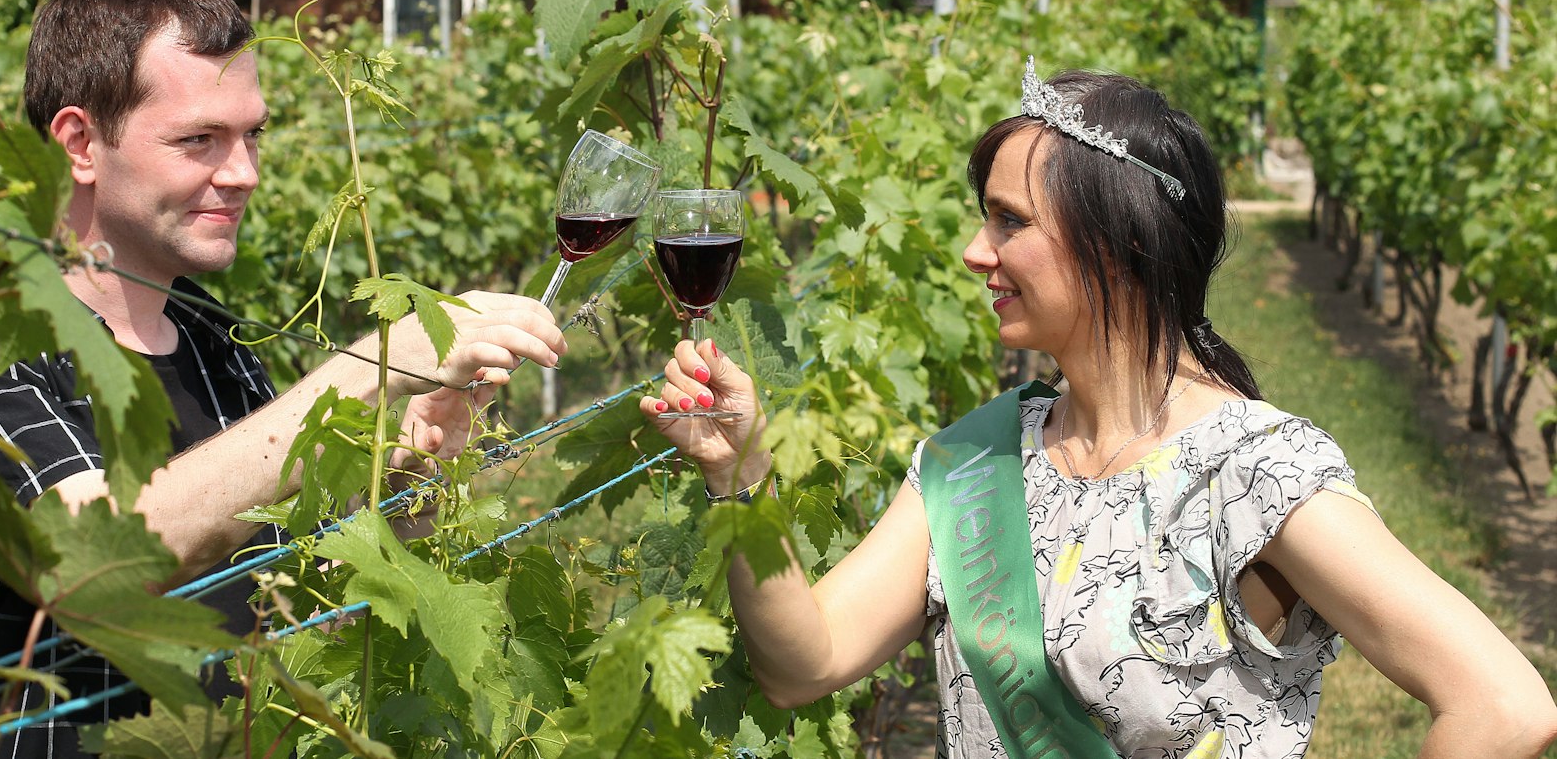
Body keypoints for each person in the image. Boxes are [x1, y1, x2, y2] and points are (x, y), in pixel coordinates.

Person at [640, 59, 1557, 758]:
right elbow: (805, 663)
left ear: (1117, 242)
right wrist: (741, 473)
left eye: (1008, 221)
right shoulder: (974, 462)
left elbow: (1506, 708)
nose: (973, 250)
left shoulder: (1252, 472)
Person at [0, 0, 567, 757]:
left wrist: (410, 475)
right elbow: (92, 561)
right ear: (78, 143)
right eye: (199, 139)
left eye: (252, 134)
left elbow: (300, 585)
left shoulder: (214, 342)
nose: (244, 173)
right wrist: (362, 370)